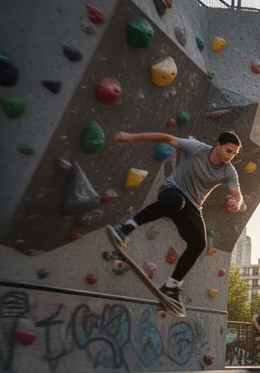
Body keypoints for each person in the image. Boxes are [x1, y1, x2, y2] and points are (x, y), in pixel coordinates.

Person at [105, 131, 244, 312]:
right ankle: (125, 229)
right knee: (177, 202)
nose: (230, 156)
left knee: (199, 244)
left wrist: (237, 203)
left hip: (193, 206)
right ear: (217, 145)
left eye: (234, 153)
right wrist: (130, 137)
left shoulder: (229, 170)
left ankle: (171, 286)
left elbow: (236, 193)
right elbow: (167, 138)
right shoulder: (198, 149)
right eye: (228, 150)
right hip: (173, 191)